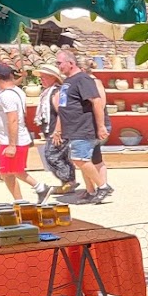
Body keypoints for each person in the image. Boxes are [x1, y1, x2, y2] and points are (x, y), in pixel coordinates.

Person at [53, 50, 113, 203]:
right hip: (72, 128)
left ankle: (103, 186)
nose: (57, 66)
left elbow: (97, 101)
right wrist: (58, 129)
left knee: (80, 159)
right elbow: (63, 107)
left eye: (59, 63)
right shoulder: (68, 81)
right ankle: (91, 191)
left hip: (83, 127)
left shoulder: (83, 79)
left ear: (71, 63)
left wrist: (100, 126)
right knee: (83, 160)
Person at [0, 64, 51, 201]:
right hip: (15, 137)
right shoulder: (17, 91)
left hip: (12, 140)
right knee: (7, 171)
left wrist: (11, 144)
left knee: (12, 170)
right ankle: (19, 199)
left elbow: (13, 119)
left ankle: (40, 187)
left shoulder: (7, 96)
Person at [33, 64, 77, 193]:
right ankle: (68, 182)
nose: (42, 80)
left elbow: (62, 113)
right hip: (53, 130)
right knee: (59, 156)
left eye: (44, 77)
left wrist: (58, 131)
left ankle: (68, 180)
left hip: (58, 131)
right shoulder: (48, 93)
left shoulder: (57, 92)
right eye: (41, 78)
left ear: (53, 78)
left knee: (52, 156)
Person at [79, 57, 112, 191]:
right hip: (88, 125)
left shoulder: (95, 82)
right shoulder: (85, 82)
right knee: (85, 158)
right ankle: (92, 189)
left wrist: (100, 126)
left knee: (93, 158)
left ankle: (101, 188)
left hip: (96, 124)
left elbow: (100, 104)